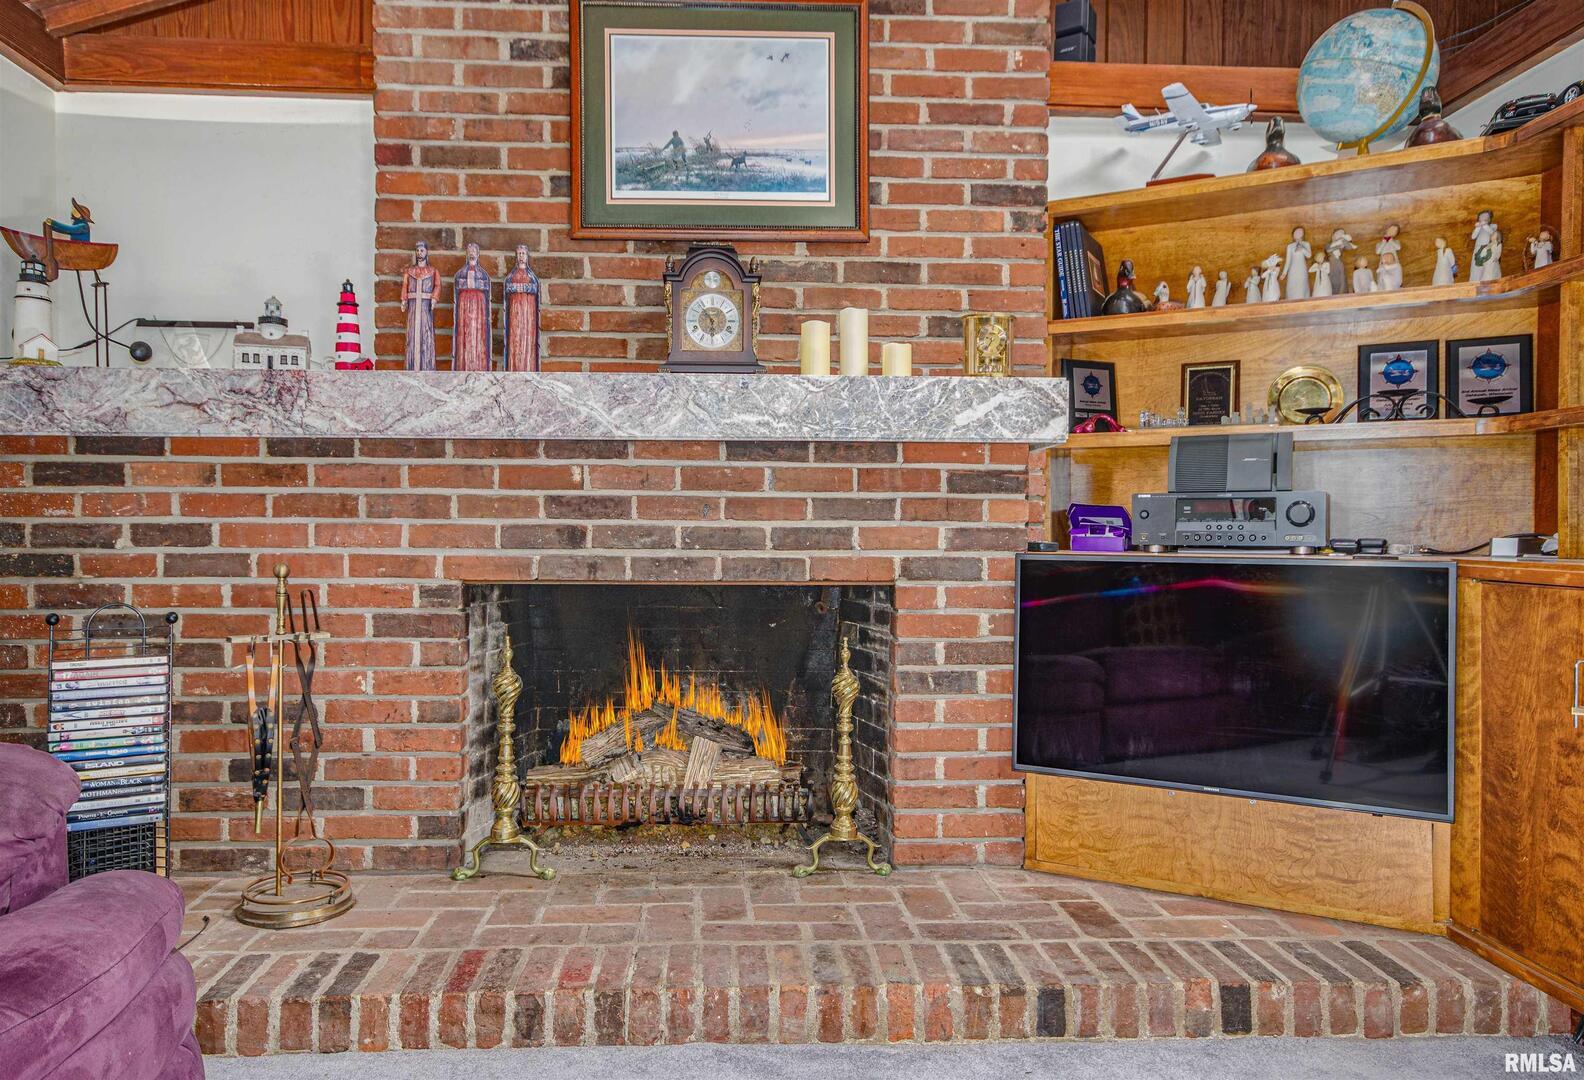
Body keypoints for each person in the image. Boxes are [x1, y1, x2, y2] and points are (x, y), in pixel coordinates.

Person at [452, 242, 493, 372]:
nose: (472, 253)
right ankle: (463, 364)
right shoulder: (460, 274)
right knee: (464, 335)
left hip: (479, 311)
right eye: (469, 251)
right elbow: (458, 287)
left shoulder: (483, 274)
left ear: (478, 254)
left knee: (478, 336)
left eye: (474, 251)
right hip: (464, 310)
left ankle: (479, 365)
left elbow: (486, 290)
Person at [400, 240, 440, 372]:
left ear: (426, 252)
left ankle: (426, 365)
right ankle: (411, 365)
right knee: (412, 336)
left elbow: (437, 285)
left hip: (425, 308)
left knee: (426, 335)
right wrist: (404, 299)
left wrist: (434, 298)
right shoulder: (409, 271)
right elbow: (405, 285)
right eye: (417, 250)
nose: (419, 253)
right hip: (413, 308)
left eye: (422, 250)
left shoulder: (433, 271)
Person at [503, 244, 541, 373]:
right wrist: (516, 288)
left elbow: (535, 289)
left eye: (523, 253)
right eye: (519, 254)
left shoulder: (532, 277)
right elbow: (507, 288)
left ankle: (528, 366)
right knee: (515, 338)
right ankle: (514, 366)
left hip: (528, 312)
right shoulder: (511, 276)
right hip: (515, 311)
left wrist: (523, 288)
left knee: (528, 339)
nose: (521, 256)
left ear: (527, 256)